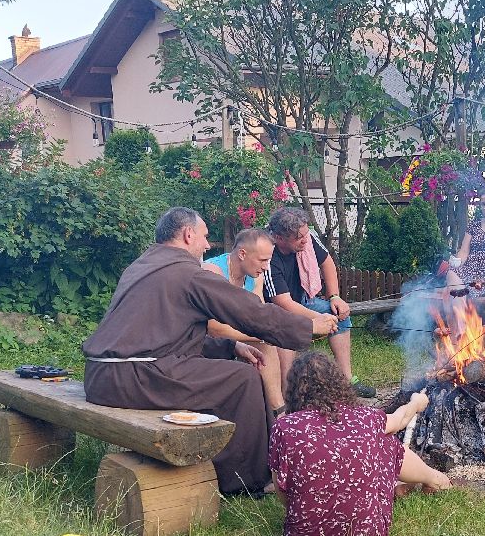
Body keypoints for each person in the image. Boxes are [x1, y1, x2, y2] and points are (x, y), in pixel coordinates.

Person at [83, 207, 338, 495]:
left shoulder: (140, 267)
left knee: (229, 370)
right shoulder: (186, 273)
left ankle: (249, 460)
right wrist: (308, 326)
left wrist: (230, 346)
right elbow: (249, 312)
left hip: (101, 376)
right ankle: (246, 480)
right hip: (135, 377)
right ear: (188, 234)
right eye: (204, 237)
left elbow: (161, 335)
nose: (207, 245)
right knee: (243, 379)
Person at [269, 352, 452, 536]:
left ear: (294, 390)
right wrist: (416, 403)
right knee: (386, 440)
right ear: (338, 383)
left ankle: (406, 483)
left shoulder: (284, 427)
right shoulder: (366, 417)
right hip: (366, 530)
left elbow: (283, 493)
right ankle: (436, 479)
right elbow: (400, 419)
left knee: (379, 437)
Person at [264, 207, 376, 398]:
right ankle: (288, 395)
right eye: (298, 238)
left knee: (339, 316)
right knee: (288, 335)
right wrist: (319, 318)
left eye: (305, 234)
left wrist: (334, 297)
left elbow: (327, 262)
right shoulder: (268, 254)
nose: (305, 240)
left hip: (303, 300)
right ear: (280, 238)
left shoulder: (306, 238)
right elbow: (283, 302)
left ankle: (347, 380)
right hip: (276, 312)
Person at [203, 228, 286, 416]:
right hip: (205, 339)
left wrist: (273, 333)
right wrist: (263, 336)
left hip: (233, 333)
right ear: (242, 254)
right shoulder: (213, 271)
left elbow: (258, 315)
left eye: (269, 261)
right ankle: (278, 412)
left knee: (277, 343)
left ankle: (279, 406)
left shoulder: (255, 276)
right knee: (265, 343)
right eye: (263, 260)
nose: (267, 267)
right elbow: (214, 328)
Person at [446, 183, 485, 297]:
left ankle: (460, 307)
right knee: (452, 274)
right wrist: (457, 261)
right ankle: (460, 309)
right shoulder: (474, 225)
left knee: (462, 292)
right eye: (482, 204)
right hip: (468, 271)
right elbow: (464, 251)